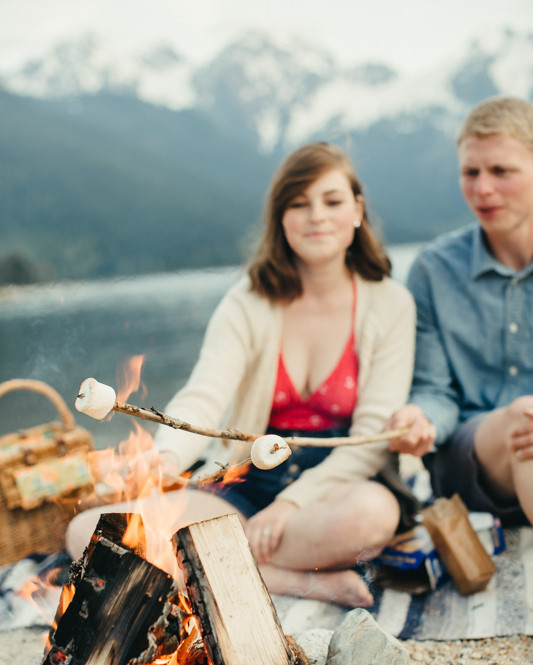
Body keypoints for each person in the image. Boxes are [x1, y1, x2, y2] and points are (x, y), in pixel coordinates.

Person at [67, 142, 416, 607]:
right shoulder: (248, 301)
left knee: (373, 516)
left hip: (336, 490)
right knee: (88, 533)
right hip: (244, 482)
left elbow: (372, 437)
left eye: (332, 201)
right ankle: (287, 578)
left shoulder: (390, 303)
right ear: (280, 217)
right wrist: (166, 459)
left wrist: (294, 503)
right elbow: (204, 396)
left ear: (357, 209)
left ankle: (212, 559)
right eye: (299, 203)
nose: (317, 216)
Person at [387, 96, 533, 527]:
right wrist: (420, 418)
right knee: (524, 419)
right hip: (468, 461)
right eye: (470, 172)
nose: (481, 189)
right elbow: (435, 391)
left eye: (501, 171)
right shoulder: (435, 268)